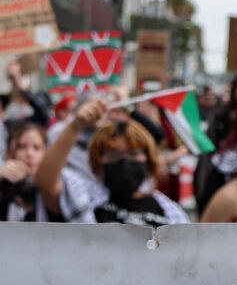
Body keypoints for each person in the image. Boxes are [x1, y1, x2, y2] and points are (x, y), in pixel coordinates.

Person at [36, 97, 189, 226]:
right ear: (98, 160)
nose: (124, 161)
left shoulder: (172, 214)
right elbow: (46, 183)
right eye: (114, 155)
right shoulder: (85, 196)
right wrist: (77, 125)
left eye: (133, 154)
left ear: (148, 160)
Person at [0, 121, 46, 221]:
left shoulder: (51, 189)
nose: (30, 154)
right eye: (22, 147)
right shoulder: (1, 189)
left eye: (36, 148)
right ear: (9, 152)